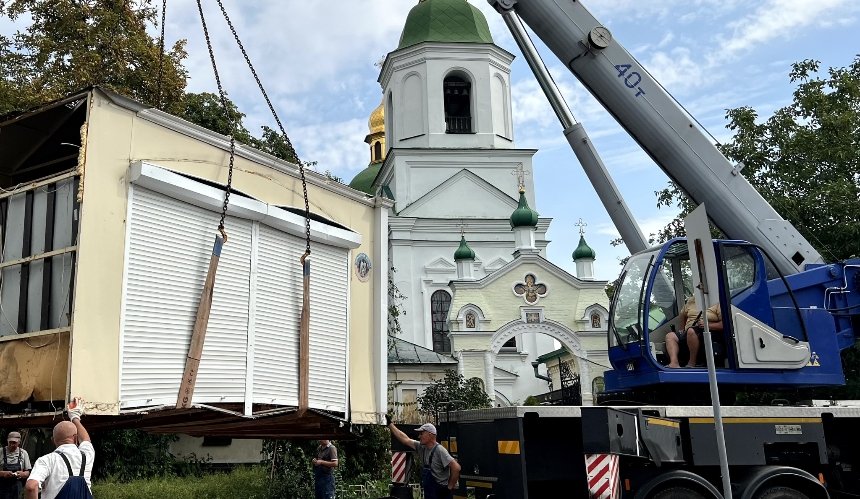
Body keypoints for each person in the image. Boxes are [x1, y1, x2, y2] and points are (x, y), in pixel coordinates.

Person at [25, 398, 93, 499]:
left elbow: (31, 486)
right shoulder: (87, 456)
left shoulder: (47, 460)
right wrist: (75, 417)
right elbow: (85, 440)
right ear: (75, 438)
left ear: (53, 441)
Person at [387, 418, 461, 499]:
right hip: (430, 492)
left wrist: (449, 487)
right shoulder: (421, 447)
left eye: (421, 433)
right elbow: (405, 439)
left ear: (430, 435)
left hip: (441, 493)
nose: (419, 436)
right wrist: (390, 424)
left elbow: (456, 467)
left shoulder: (440, 450)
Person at [666, 295, 722, 368]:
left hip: (708, 330)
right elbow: (682, 315)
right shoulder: (691, 300)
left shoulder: (717, 302)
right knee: (670, 336)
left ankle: (692, 363)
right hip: (689, 330)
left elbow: (724, 324)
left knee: (691, 331)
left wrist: (708, 325)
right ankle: (674, 363)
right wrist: (682, 329)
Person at [1, 431, 31, 499]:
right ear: (7, 441)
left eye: (14, 443)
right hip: (2, 487)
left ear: (19, 442)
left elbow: (27, 472)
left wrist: (22, 474)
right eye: (10, 442)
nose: (11, 445)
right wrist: (2, 473)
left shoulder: (23, 453)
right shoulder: (1, 452)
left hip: (17, 488)